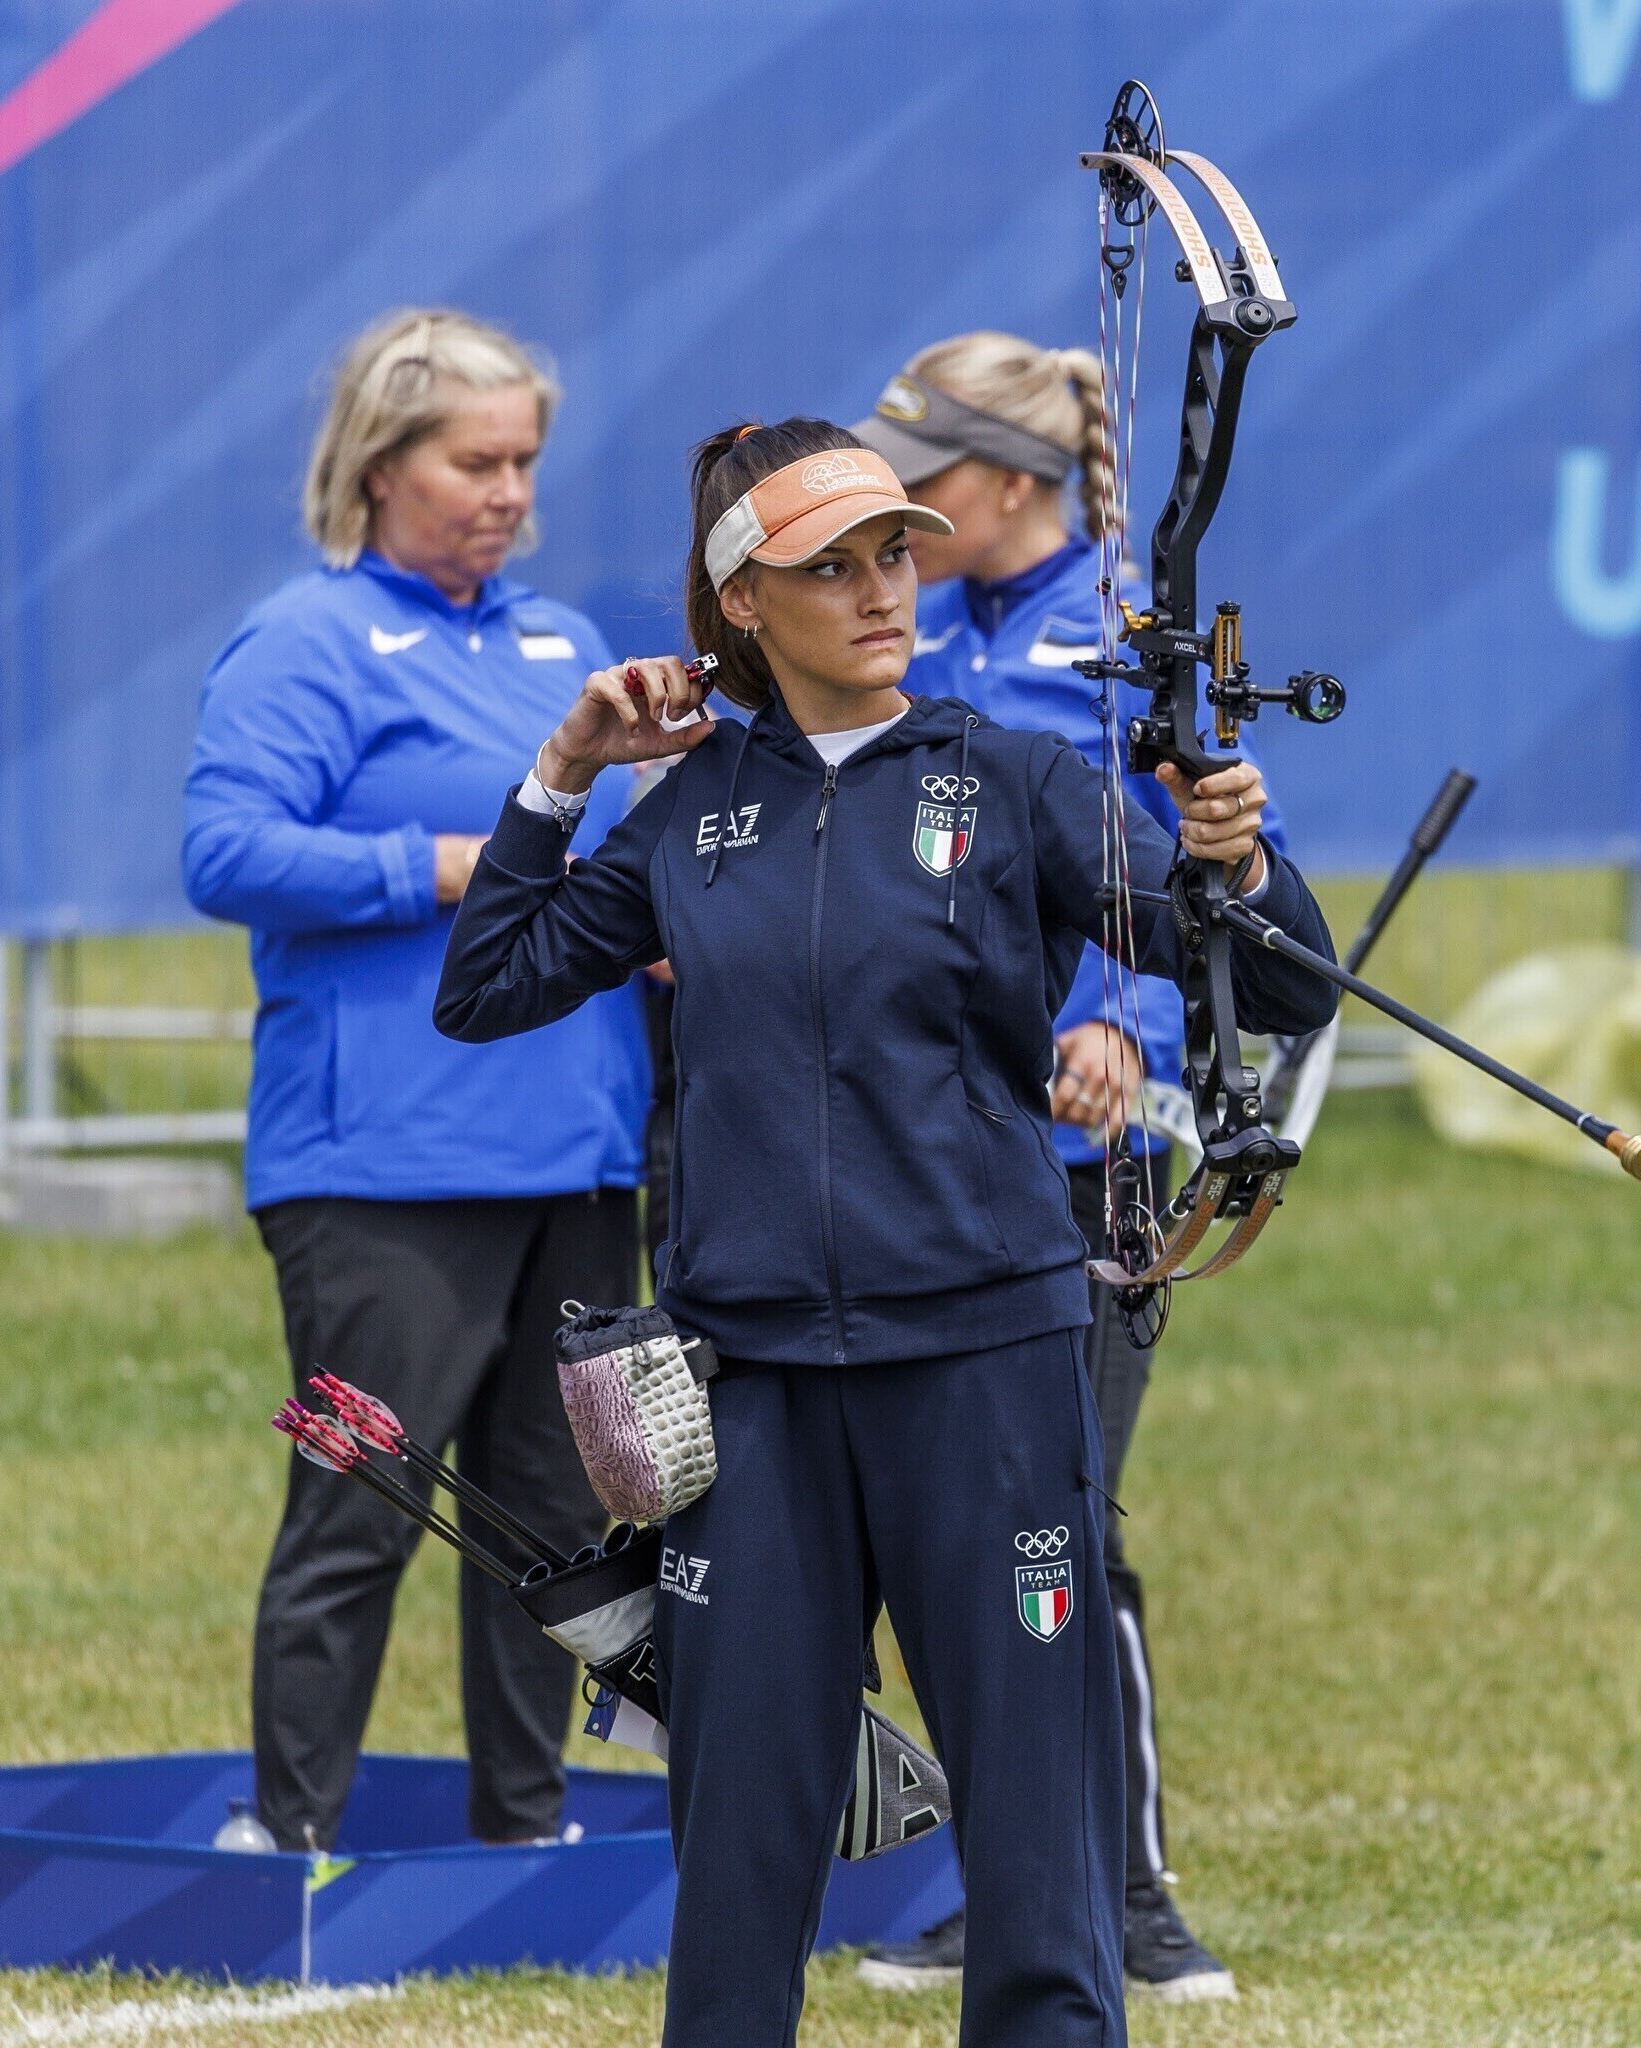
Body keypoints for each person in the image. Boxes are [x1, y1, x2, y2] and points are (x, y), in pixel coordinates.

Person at [434, 418, 1338, 2047]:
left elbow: (1276, 987)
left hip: (987, 1365)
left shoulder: (1021, 780)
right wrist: (561, 770)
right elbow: (485, 985)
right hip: (752, 1388)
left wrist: (1243, 860)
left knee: (1035, 1821)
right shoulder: (691, 809)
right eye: (831, 567)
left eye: (896, 554)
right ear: (743, 604)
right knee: (740, 1830)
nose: (879, 591)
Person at [843, 332, 1287, 2002]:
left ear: (1007, 481)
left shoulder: (1121, 638)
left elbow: (1201, 883)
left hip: (1092, 1150)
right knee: (961, 1532)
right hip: (942, 1149)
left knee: (1064, 1524)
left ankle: (1135, 1900)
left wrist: (1127, 1030)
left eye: (921, 483)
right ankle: (1012, 1885)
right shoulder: (932, 629)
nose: (894, 520)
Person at [183, 308, 650, 1853]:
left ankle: (526, 1828)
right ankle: (289, 1837)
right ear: (380, 464)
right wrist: (449, 865)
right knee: (362, 1509)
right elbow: (225, 852)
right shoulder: (302, 640)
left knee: (564, 1522)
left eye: (525, 462)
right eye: (475, 462)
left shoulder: (560, 645)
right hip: (383, 1166)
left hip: (580, 1155)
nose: (509, 492)